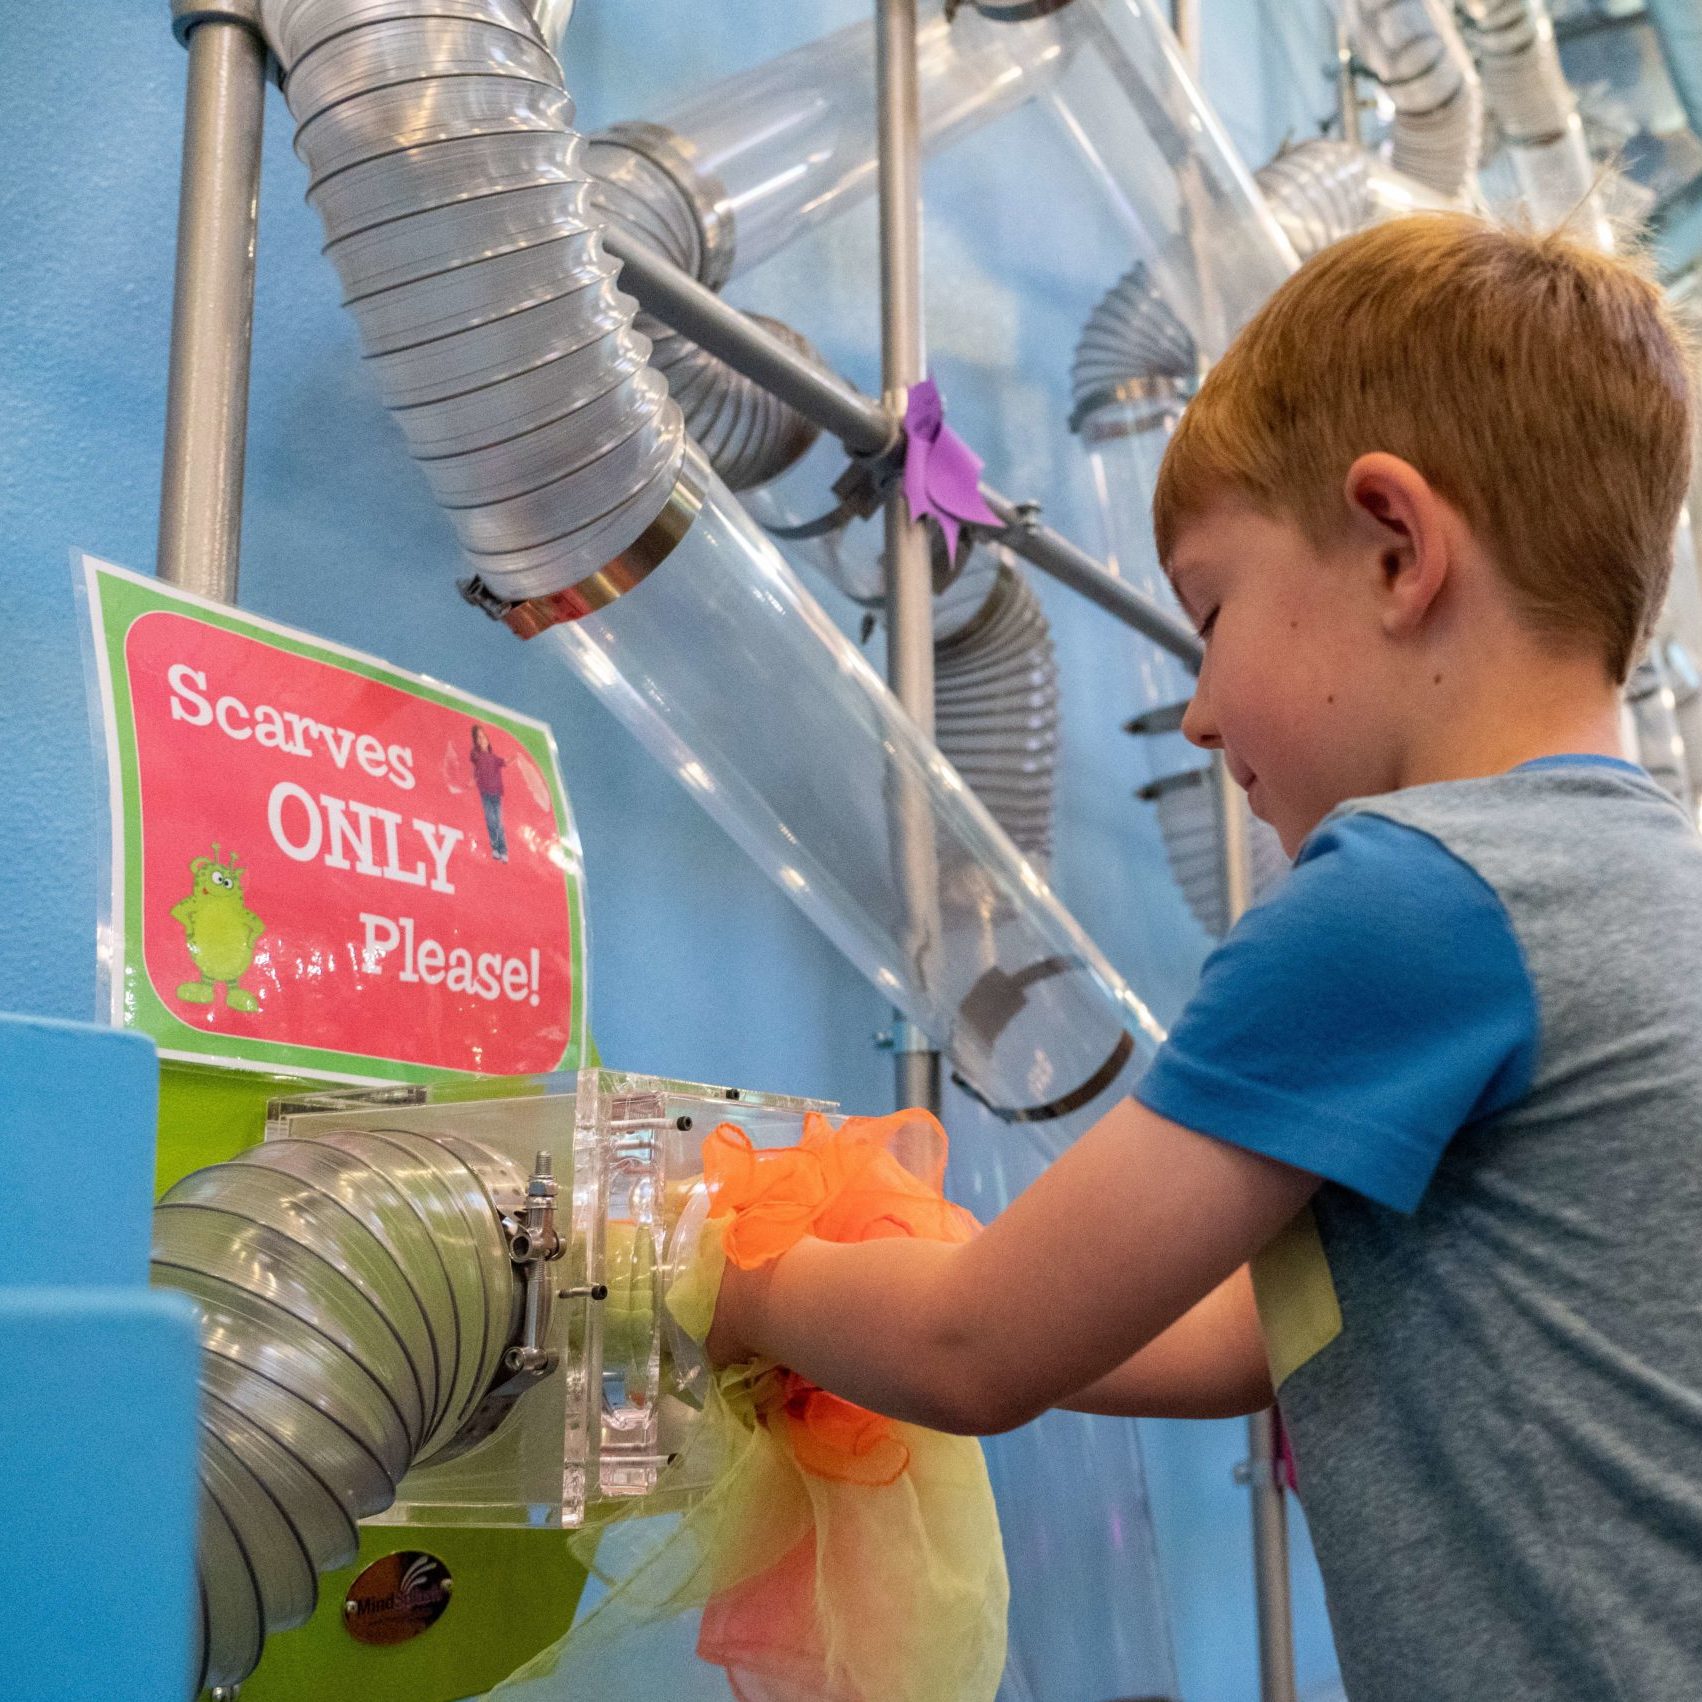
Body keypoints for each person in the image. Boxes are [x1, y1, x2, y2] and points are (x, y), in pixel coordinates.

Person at [707, 215, 1702, 1700]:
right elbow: (1256, 1326)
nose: (1196, 715)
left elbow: (980, 1350)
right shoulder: (1636, 881)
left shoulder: (1414, 896)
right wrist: (894, 1270)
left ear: (1394, 546)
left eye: (1210, 614)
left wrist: (711, 1269)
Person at [469, 723, 508, 862]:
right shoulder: (477, 756)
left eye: (484, 737)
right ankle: (495, 848)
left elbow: (505, 762)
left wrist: (515, 758)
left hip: (496, 793)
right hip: (485, 793)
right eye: (479, 738)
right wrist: (472, 781)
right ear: (476, 741)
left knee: (499, 822)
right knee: (491, 821)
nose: (482, 740)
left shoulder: (494, 758)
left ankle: (503, 850)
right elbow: (476, 772)